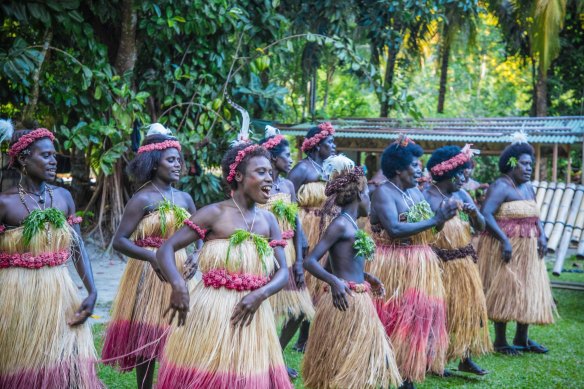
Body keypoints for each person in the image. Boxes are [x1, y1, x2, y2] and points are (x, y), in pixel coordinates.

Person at [154, 140, 292, 388]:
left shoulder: (269, 221)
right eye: (261, 172)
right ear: (238, 175)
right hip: (212, 311)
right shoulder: (214, 213)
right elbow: (166, 249)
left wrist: (260, 294)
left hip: (253, 314)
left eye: (270, 173)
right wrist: (178, 285)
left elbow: (283, 272)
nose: (269, 179)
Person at [0, 124, 100, 388]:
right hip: (16, 294)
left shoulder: (63, 197)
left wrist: (91, 291)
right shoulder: (5, 203)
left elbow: (78, 247)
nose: (54, 161)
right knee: (24, 367)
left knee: (69, 367)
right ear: (23, 159)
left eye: (54, 155)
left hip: (59, 292)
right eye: (46, 155)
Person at [101, 125, 198, 389]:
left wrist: (197, 255)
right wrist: (151, 256)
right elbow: (120, 241)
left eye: (179, 159)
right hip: (148, 271)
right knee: (147, 335)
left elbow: (200, 235)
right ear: (154, 164)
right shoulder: (142, 198)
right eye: (171, 160)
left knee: (175, 334)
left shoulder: (185, 199)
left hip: (179, 272)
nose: (178, 164)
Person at [302, 155, 402, 389]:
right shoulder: (340, 224)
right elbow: (310, 261)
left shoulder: (351, 224)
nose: (371, 201)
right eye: (368, 194)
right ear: (359, 194)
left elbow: (333, 263)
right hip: (345, 301)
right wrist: (335, 282)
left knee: (362, 358)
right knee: (342, 360)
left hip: (357, 298)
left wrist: (366, 276)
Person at [368, 136, 457, 388]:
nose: (420, 169)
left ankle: (407, 375)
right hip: (392, 263)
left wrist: (443, 218)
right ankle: (383, 371)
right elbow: (395, 229)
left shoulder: (415, 192)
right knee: (393, 317)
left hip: (419, 263)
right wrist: (434, 219)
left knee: (415, 318)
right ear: (398, 168)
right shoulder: (383, 192)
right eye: (415, 165)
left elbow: (431, 228)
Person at [477, 133, 555, 355]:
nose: (529, 168)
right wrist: (504, 240)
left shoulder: (528, 187)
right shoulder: (501, 186)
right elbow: (486, 214)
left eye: (530, 163)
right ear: (512, 163)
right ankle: (500, 341)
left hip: (529, 248)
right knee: (505, 289)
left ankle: (522, 338)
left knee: (527, 288)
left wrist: (542, 235)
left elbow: (535, 215)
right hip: (506, 249)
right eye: (524, 163)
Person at [423, 145, 491, 375]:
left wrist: (474, 213)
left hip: (464, 264)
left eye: (466, 172)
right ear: (446, 173)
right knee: (440, 314)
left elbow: (481, 227)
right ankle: (434, 361)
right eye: (461, 173)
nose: (465, 177)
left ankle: (465, 357)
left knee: (467, 310)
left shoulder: (462, 194)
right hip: (439, 264)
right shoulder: (427, 197)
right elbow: (425, 232)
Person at [259, 126, 314, 379]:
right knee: (266, 309)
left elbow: (295, 221)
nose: (291, 158)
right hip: (265, 254)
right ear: (272, 158)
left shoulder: (289, 185)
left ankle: (277, 355)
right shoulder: (260, 185)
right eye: (287, 154)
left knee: (299, 310)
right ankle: (266, 360)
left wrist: (300, 258)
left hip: (289, 253)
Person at [287, 122, 336, 351]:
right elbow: (286, 200)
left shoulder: (328, 168)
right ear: (317, 145)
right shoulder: (302, 169)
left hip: (324, 227)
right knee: (304, 282)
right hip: (305, 228)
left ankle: (304, 338)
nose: (333, 146)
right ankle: (292, 334)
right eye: (329, 143)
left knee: (317, 283)